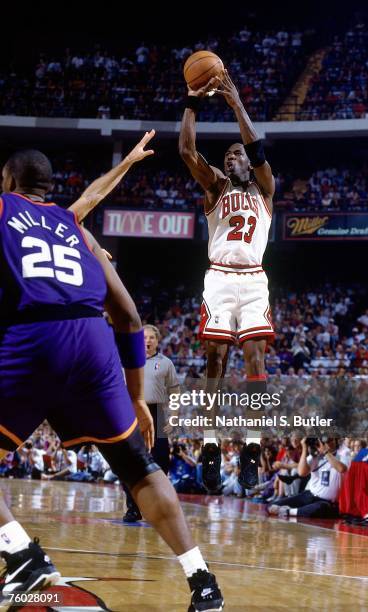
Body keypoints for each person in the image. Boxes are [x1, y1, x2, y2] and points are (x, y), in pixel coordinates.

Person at [0, 144, 224, 611]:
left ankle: (22, 555)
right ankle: (203, 583)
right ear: (47, 188)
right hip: (94, 344)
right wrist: (137, 397)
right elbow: (128, 317)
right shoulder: (74, 227)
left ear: (7, 183)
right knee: (138, 467)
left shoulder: (2, 208)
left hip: (35, 337)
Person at [179, 70, 275, 492]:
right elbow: (185, 150)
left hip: (254, 280)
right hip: (219, 278)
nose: (231, 159)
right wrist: (192, 102)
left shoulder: (265, 189)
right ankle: (212, 444)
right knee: (214, 360)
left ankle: (252, 446)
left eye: (237, 155)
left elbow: (257, 148)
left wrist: (236, 103)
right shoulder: (215, 187)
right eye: (228, 156)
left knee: (256, 359)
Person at [123, 324, 181, 522]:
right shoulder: (128, 362)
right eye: (144, 337)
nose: (147, 341)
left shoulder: (166, 363)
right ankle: (132, 508)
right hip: (131, 413)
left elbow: (175, 393)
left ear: (157, 341)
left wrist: (173, 416)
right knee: (129, 463)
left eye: (151, 338)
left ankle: (157, 509)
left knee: (161, 464)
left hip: (157, 414)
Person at [268, 437, 351, 518]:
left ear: (335, 439)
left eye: (329, 440)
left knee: (321, 507)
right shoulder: (316, 454)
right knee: (273, 505)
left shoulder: (344, 452)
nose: (326, 443)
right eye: (324, 441)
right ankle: (297, 510)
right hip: (309, 495)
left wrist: (326, 452)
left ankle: (289, 511)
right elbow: (301, 472)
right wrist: (304, 448)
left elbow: (342, 469)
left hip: (327, 502)